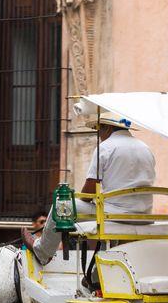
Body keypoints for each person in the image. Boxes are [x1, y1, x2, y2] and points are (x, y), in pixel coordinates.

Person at [24, 112, 156, 265]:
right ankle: (95, 275)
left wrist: (83, 200)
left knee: (61, 204)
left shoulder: (106, 147)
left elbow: (89, 192)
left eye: (99, 130)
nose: (99, 135)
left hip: (115, 214)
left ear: (106, 128)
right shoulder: (145, 147)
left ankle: (43, 251)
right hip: (144, 215)